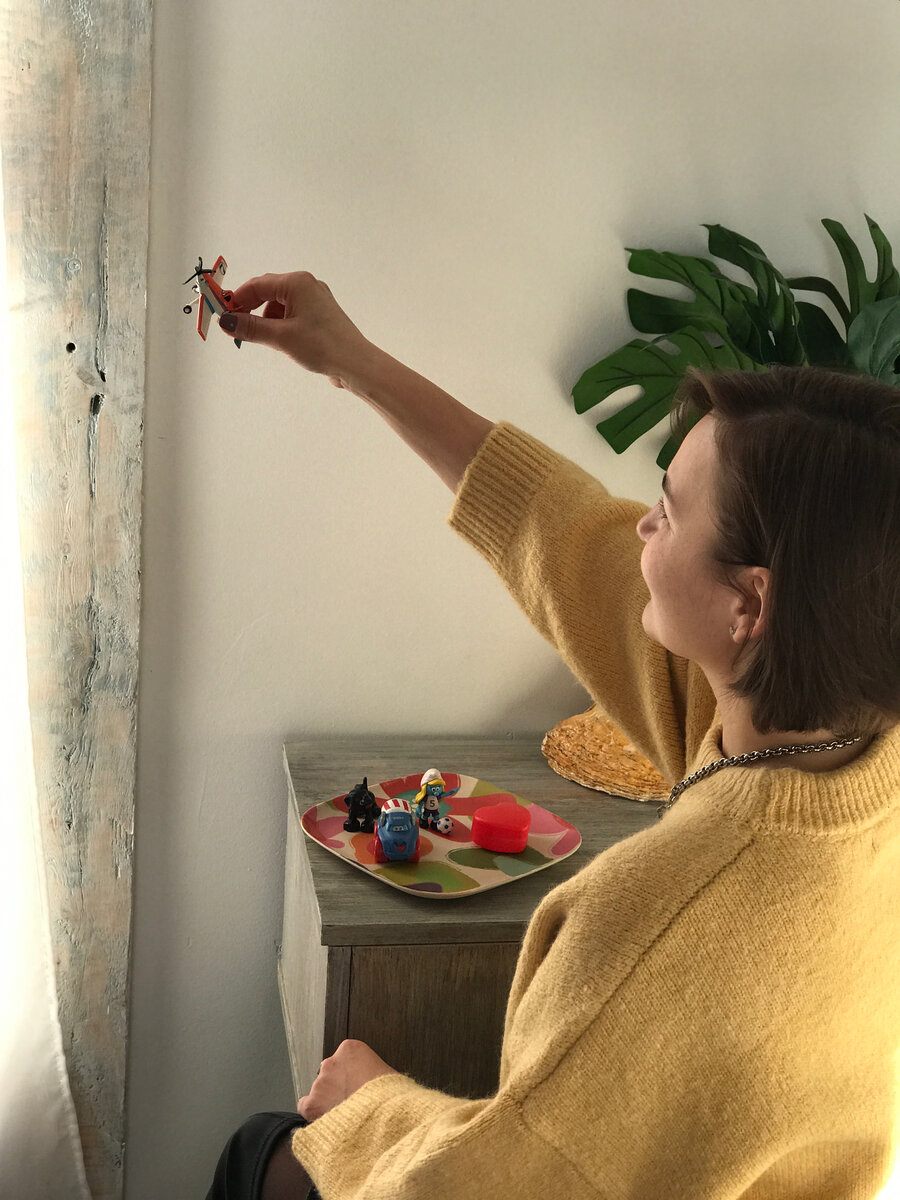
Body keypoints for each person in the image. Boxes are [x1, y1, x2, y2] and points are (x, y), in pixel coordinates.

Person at [207, 272, 900, 1200]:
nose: (641, 525)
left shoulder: (655, 926)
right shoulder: (831, 739)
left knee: (263, 1151)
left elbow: (476, 1187)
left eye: (668, 509)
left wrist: (372, 1105)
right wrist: (353, 361)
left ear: (750, 603)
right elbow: (563, 534)